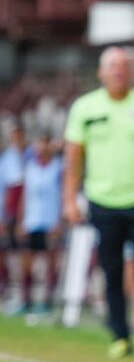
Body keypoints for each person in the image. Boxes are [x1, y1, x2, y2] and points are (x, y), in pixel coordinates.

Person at [63, 47, 134, 359]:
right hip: (102, 201)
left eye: (123, 66)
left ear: (130, 72)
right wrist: (70, 200)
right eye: (112, 66)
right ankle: (119, 335)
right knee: (111, 271)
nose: (117, 71)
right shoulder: (84, 108)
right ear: (101, 73)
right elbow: (73, 157)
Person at [16, 134, 63, 313]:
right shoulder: (30, 167)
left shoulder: (58, 168)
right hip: (32, 220)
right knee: (27, 260)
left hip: (50, 220)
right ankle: (25, 300)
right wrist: (21, 220)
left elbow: (63, 194)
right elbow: (24, 195)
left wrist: (60, 221)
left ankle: (47, 301)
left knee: (50, 261)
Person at [0, 125, 29, 301]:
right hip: (8, 211)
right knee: (4, 249)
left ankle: (24, 290)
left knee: (25, 250)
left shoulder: (29, 156)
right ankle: (5, 284)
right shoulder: (6, 160)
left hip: (26, 213)